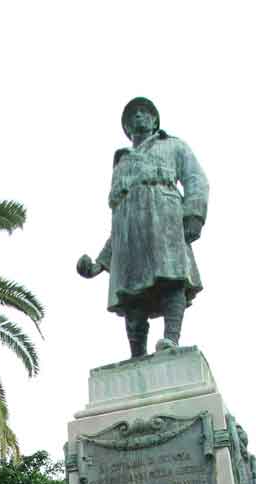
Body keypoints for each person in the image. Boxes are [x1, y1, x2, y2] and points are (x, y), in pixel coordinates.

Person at [77, 96, 208, 357]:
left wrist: (194, 214)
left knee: (172, 280)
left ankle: (171, 338)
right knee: (131, 295)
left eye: (144, 112)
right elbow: (118, 220)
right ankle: (137, 354)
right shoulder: (121, 162)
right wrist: (99, 264)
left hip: (165, 218)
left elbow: (196, 180)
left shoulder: (173, 146)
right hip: (130, 234)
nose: (139, 116)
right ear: (126, 128)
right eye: (132, 115)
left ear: (155, 119)